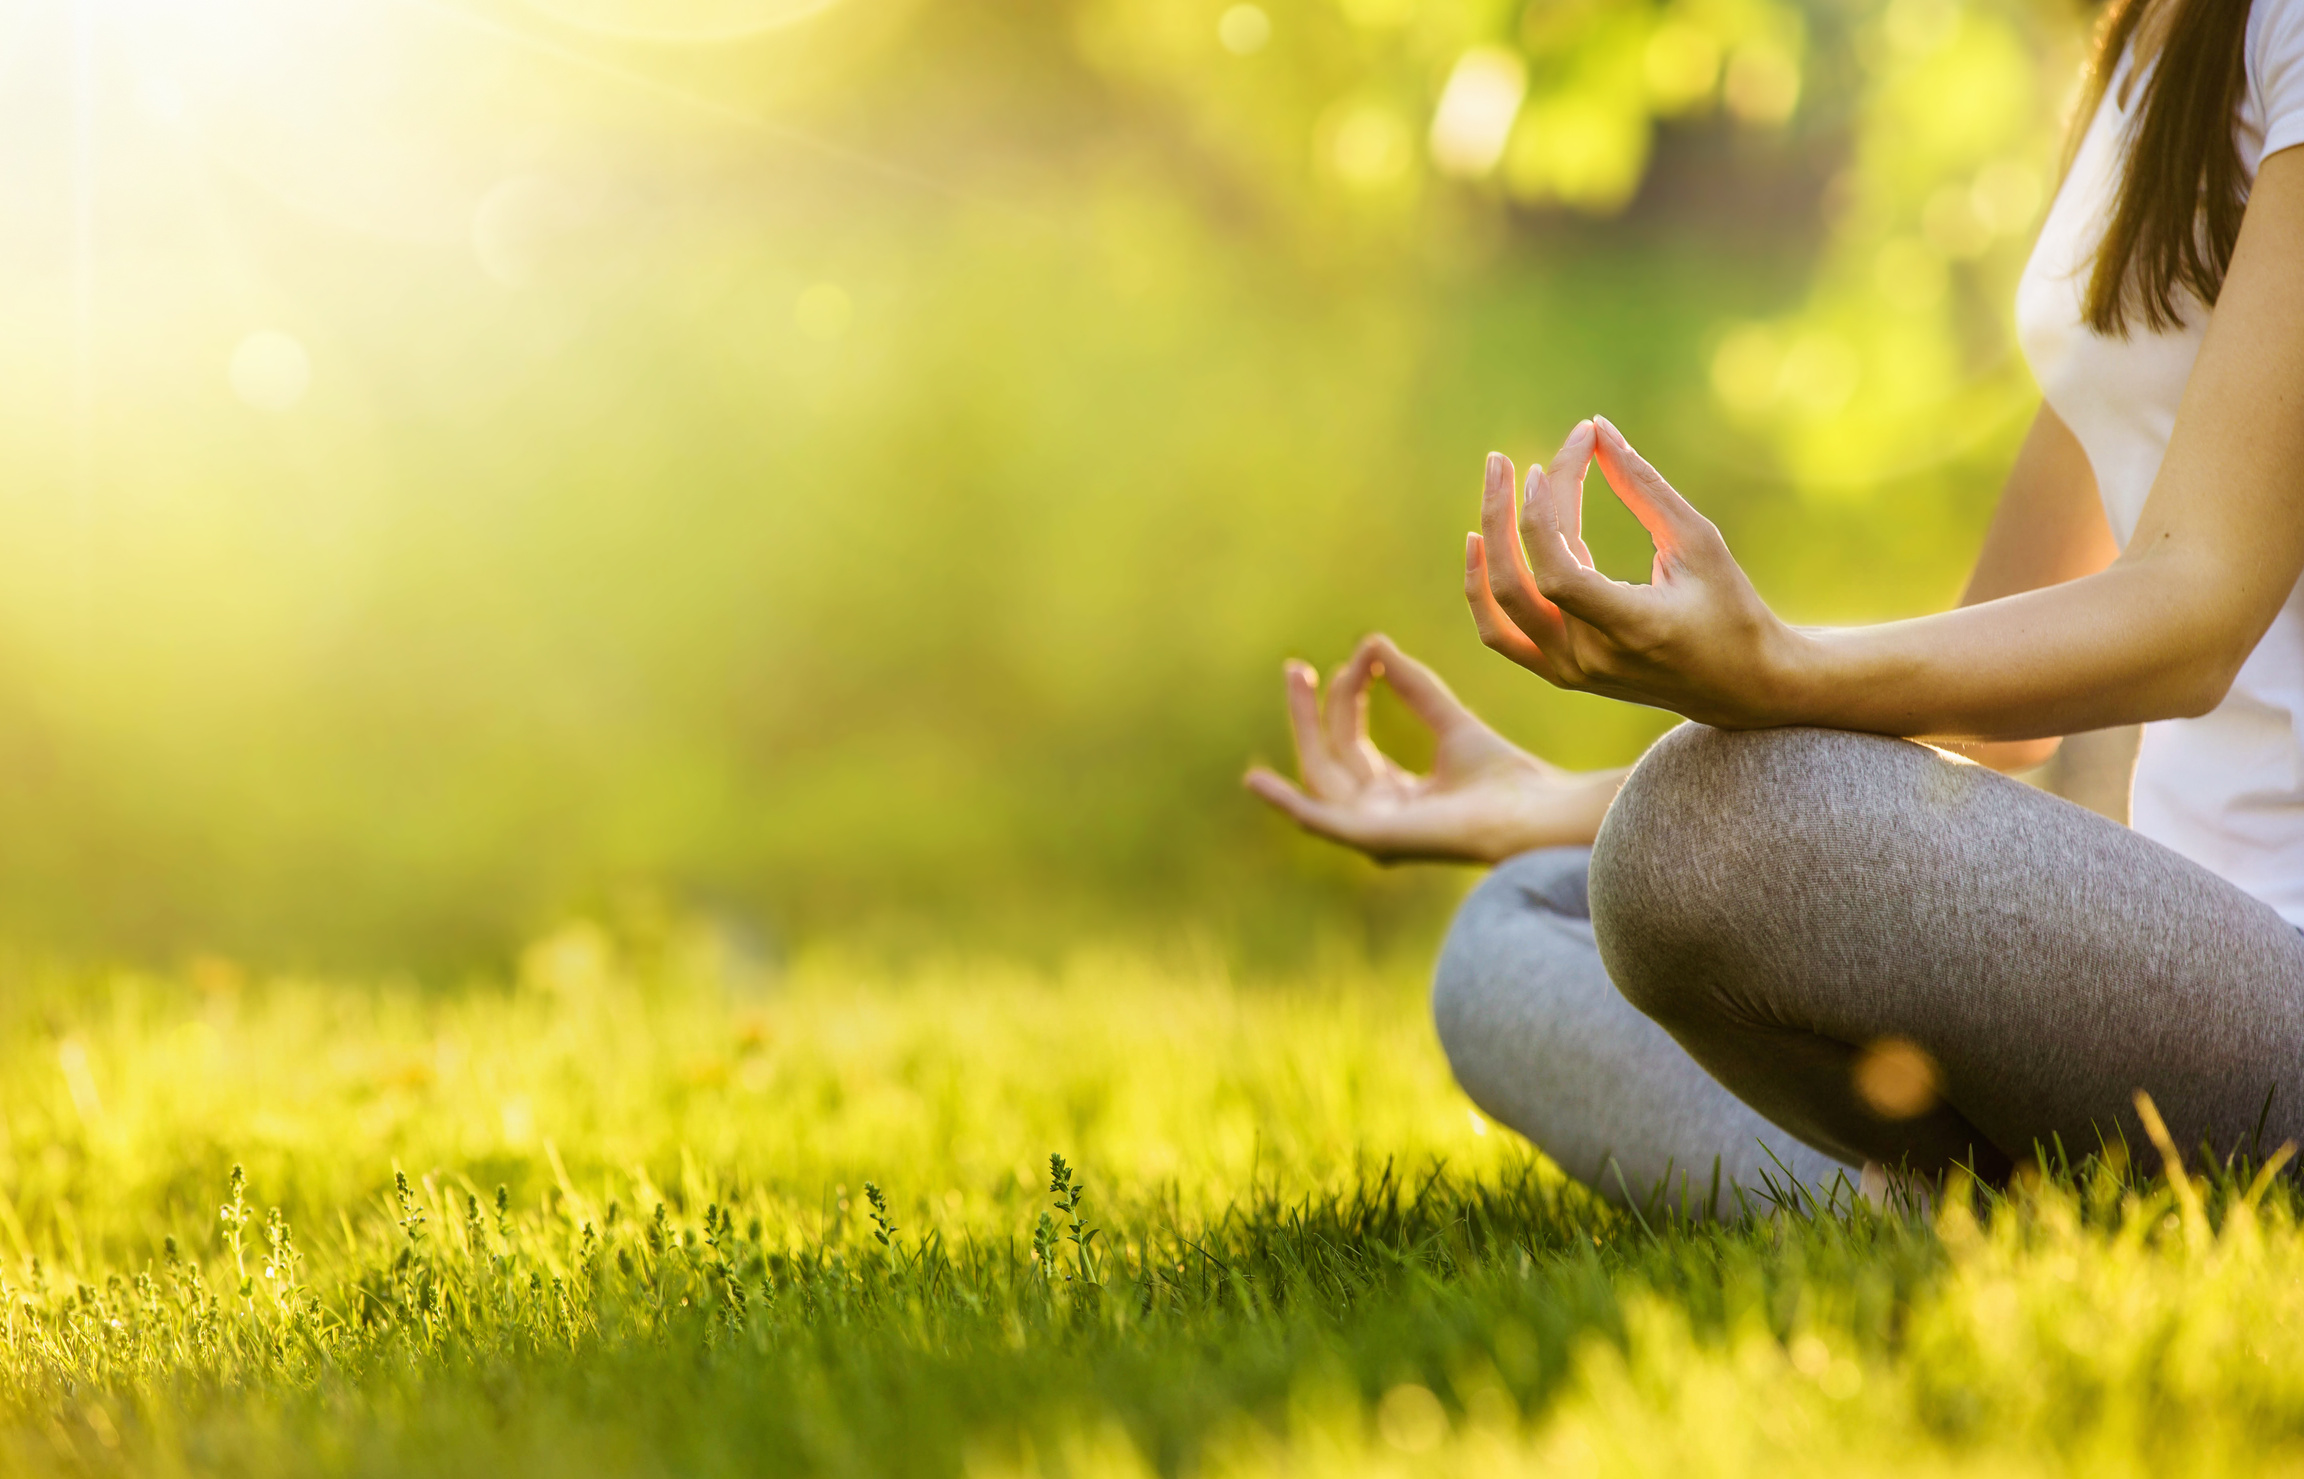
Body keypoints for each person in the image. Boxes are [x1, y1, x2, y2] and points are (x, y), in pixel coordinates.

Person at [1246, 0, 2304, 1210]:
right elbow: (1996, 711)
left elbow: (2198, 609)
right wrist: (1551, 800)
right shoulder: (2142, 41)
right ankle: (1979, 1190)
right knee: (1515, 931)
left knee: (1695, 843)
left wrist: (1772, 669)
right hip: (2180, 952)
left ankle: (1945, 1192)